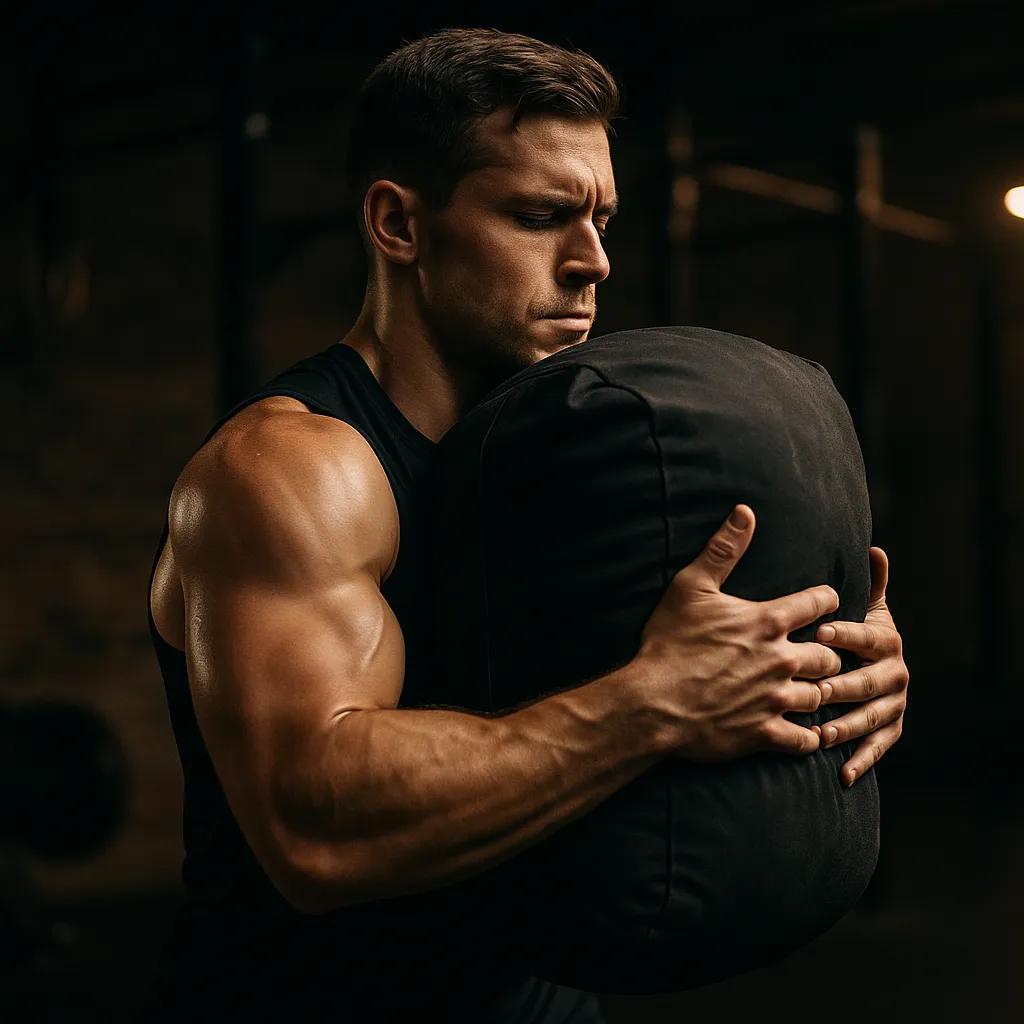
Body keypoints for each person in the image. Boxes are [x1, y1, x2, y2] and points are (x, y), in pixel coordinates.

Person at [147, 28, 909, 1023]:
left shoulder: (571, 455)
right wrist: (650, 703)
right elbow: (313, 829)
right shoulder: (294, 469)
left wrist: (829, 674)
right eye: (541, 216)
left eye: (601, 219)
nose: (592, 262)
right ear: (399, 223)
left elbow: (691, 673)